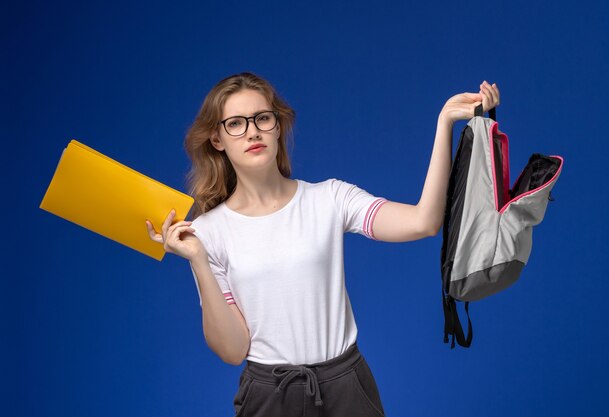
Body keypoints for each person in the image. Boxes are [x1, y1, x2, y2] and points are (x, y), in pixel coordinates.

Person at [146, 72, 500, 417]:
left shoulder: (329, 198)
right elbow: (233, 350)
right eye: (236, 123)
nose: (252, 131)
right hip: (269, 396)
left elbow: (424, 222)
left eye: (262, 118)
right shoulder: (208, 232)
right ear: (218, 139)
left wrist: (445, 123)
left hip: (346, 386)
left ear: (278, 125)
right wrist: (197, 260)